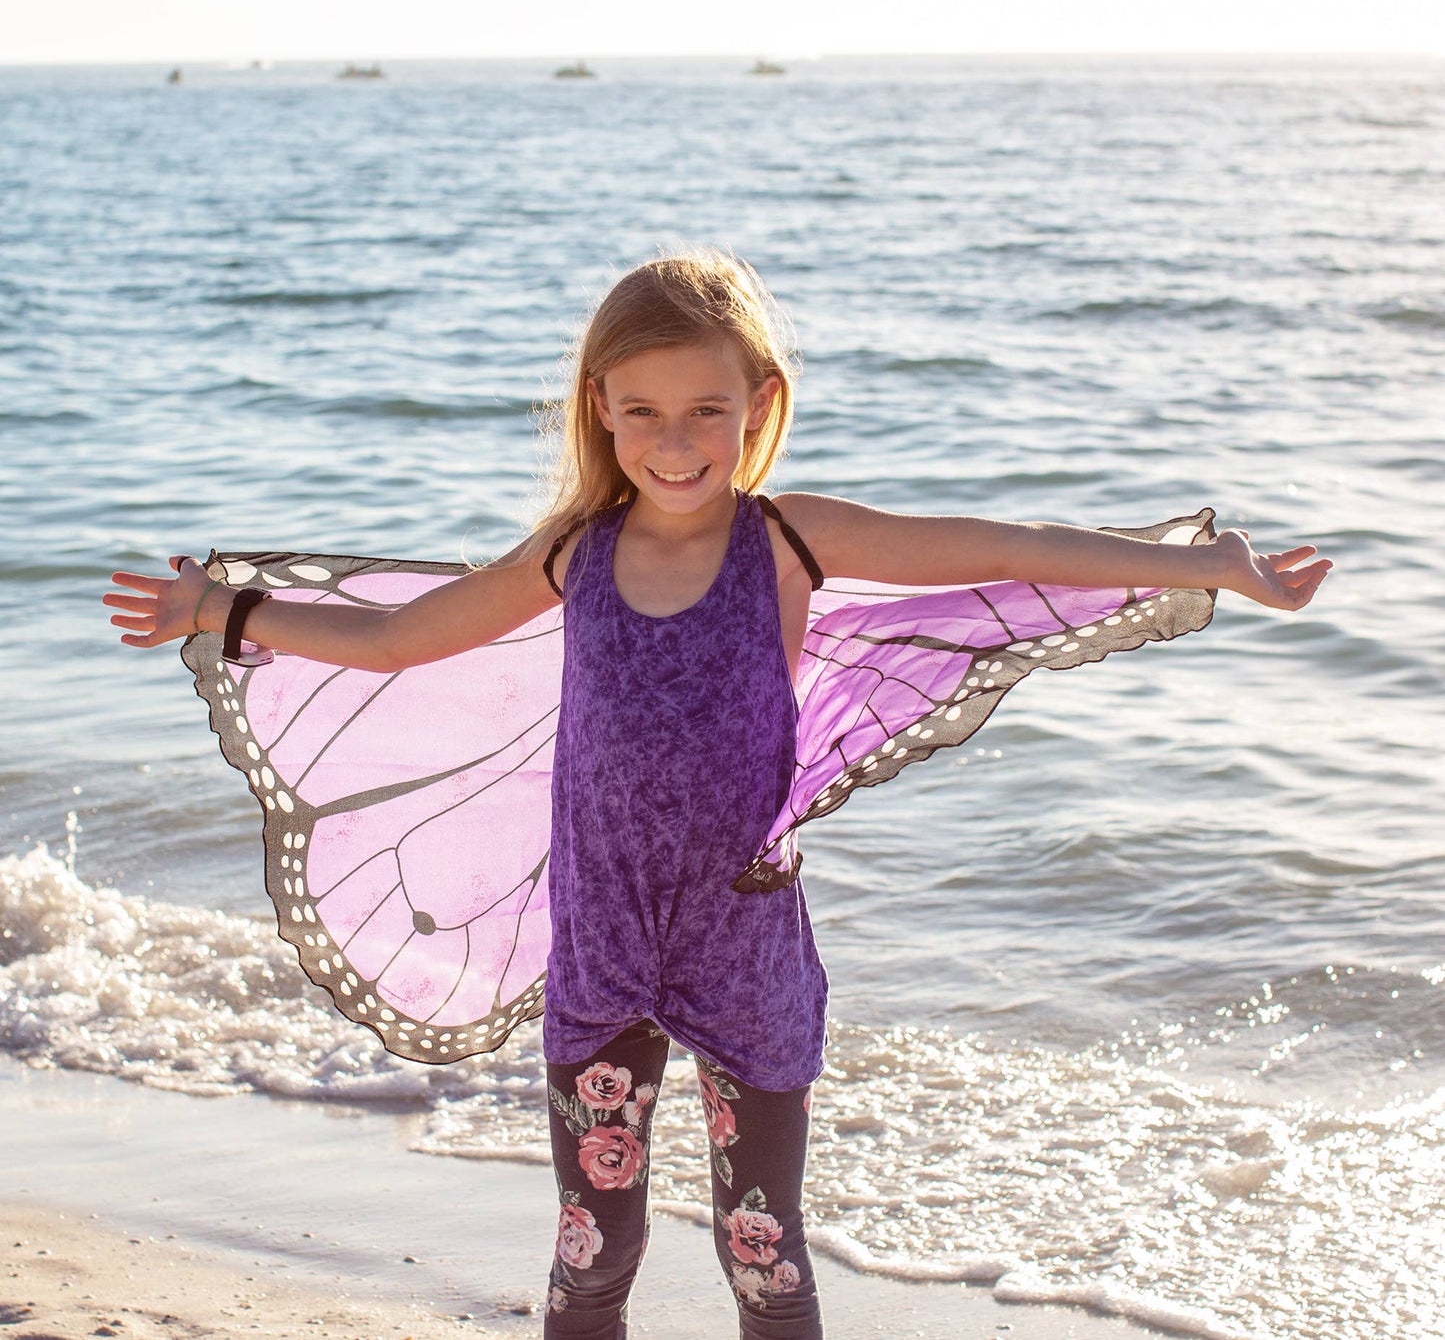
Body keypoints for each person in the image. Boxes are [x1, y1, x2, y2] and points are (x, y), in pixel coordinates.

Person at [105, 251, 1331, 1339]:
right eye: (642, 408)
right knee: (593, 1257)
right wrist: (223, 609)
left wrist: (1199, 562)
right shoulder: (573, 551)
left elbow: (998, 546)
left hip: (741, 942)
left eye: (707, 406)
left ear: (758, 407)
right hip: (602, 947)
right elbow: (404, 638)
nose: (675, 437)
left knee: (763, 1255)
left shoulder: (787, 540)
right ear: (601, 407)